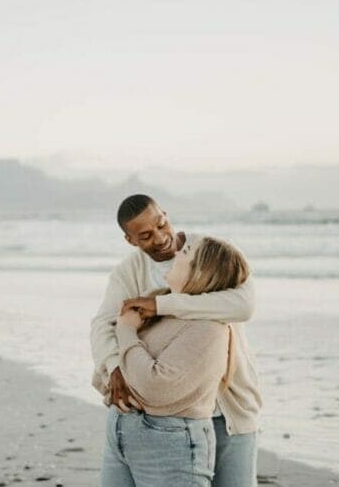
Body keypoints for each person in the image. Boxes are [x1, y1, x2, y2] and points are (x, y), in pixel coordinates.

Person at [91, 194, 262, 487]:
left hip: (229, 410)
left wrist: (161, 306)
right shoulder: (128, 272)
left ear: (166, 214)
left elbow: (242, 306)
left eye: (162, 224)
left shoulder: (206, 253)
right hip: (177, 415)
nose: (160, 238)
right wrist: (115, 365)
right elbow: (103, 325)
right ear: (131, 240)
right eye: (145, 235)